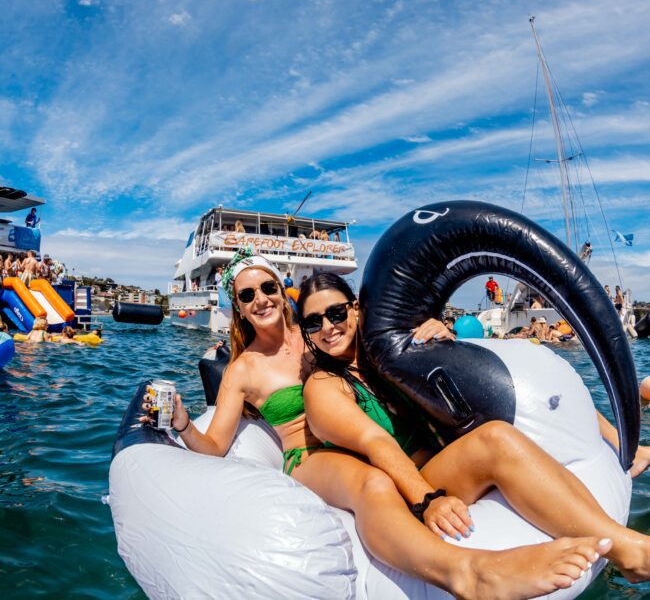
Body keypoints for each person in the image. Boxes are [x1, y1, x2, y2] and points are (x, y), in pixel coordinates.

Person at [143, 251, 624, 598]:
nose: (262, 299)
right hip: (311, 456)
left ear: (282, 291)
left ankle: (624, 547)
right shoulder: (244, 368)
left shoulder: (319, 332)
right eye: (248, 295)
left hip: (381, 447)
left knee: (492, 438)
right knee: (372, 481)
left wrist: (438, 333)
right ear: (239, 307)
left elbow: (392, 351)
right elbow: (216, 444)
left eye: (268, 287)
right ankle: (470, 574)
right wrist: (183, 424)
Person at [297, 272, 650, 585]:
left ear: (356, 309)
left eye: (336, 313)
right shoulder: (324, 386)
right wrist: (428, 500)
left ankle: (618, 542)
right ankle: (632, 553)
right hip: (408, 487)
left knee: (512, 429)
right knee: (494, 439)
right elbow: (377, 443)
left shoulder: (391, 355)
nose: (328, 327)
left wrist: (442, 342)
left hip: (444, 464)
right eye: (313, 322)